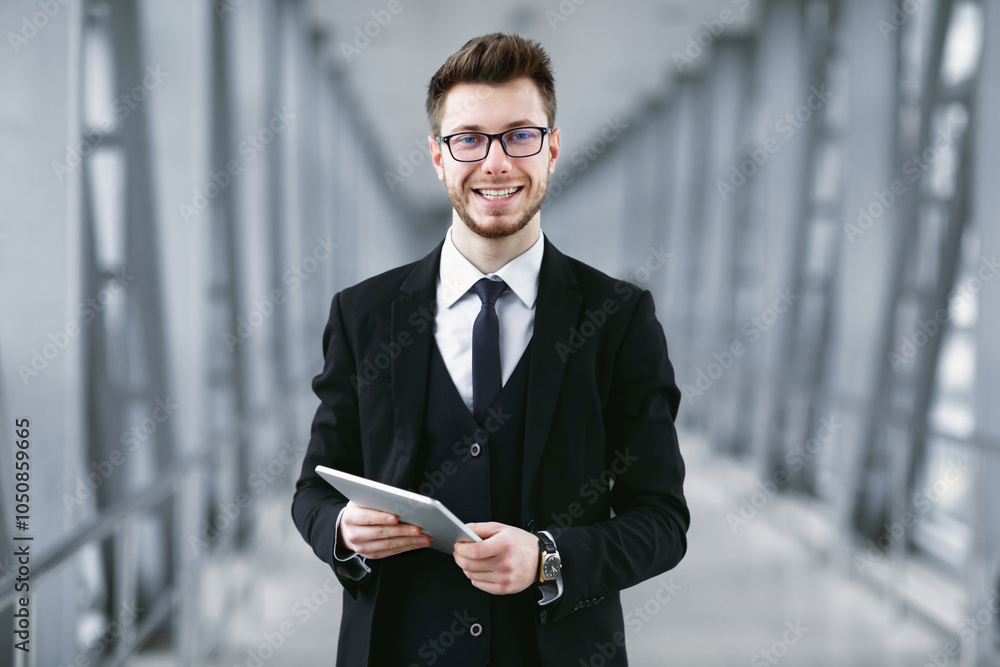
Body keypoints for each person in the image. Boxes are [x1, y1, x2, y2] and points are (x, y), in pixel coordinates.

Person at [291, 32, 689, 666]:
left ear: (552, 148)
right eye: (469, 138)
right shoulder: (363, 315)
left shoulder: (619, 318)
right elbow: (312, 490)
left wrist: (550, 558)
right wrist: (340, 530)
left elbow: (663, 520)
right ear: (437, 156)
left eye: (520, 136)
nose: (496, 163)